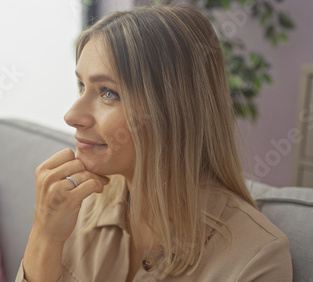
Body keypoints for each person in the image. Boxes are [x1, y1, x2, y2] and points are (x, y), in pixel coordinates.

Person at [17, 4, 292, 282]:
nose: (72, 116)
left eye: (108, 92)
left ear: (173, 111)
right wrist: (45, 235)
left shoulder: (255, 258)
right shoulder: (76, 208)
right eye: (81, 86)